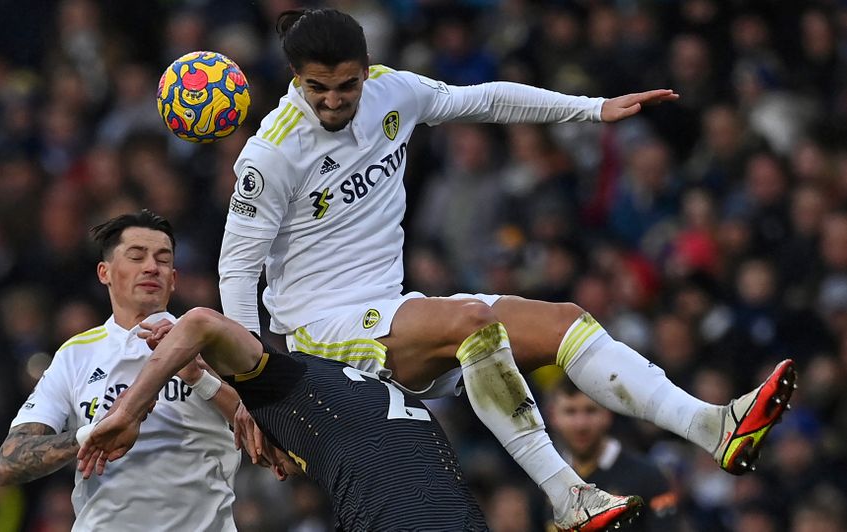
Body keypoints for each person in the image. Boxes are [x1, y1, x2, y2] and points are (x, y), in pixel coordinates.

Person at [217, 6, 797, 528]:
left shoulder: (394, 93)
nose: (332, 101)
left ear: (367, 71)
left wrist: (592, 110)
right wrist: (255, 394)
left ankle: (712, 426)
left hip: (388, 314)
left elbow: (486, 100)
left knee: (564, 321)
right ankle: (566, 494)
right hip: (319, 341)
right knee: (472, 320)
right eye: (317, 89)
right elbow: (237, 272)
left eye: (346, 86)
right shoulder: (271, 155)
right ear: (296, 79)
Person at [76, 306, 491, 531]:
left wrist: (128, 410)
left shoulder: (294, 387)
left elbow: (201, 322)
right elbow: (255, 418)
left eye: (265, 456)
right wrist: (200, 378)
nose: (278, 473)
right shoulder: (359, 396)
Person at [0, 210, 242, 531]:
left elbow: (269, 432)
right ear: (104, 272)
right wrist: (93, 434)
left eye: (163, 260)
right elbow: (8, 463)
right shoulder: (75, 354)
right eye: (137, 256)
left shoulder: (210, 339)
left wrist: (199, 377)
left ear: (174, 279)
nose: (152, 266)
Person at [544, 377, 680, 532]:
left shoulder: (650, 477)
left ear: (608, 413)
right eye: (570, 412)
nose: (581, 424)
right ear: (553, 416)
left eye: (590, 410)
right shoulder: (544, 482)